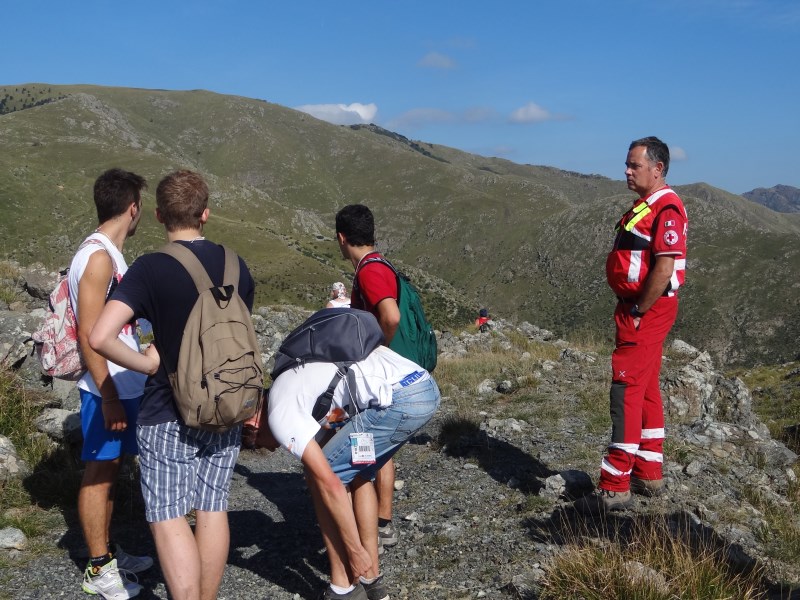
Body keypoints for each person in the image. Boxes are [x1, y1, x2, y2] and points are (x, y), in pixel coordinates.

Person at [89, 170, 256, 600]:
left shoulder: (149, 269)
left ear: (161, 214)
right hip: (226, 405)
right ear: (205, 213)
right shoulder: (238, 266)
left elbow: (100, 336)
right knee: (213, 505)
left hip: (168, 406)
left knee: (168, 513)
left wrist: (147, 364)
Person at [253, 343, 441, 600]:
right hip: (423, 387)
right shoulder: (293, 384)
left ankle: (344, 586)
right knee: (359, 472)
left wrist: (354, 550)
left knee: (322, 475)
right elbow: (339, 412)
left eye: (260, 445)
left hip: (400, 400)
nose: (271, 450)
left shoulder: (279, 414)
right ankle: (372, 579)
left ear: (252, 424)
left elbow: (329, 482)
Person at [578, 136, 688, 514]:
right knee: (645, 388)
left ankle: (615, 483)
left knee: (625, 389)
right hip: (641, 309)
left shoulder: (667, 208)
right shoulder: (649, 206)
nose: (626, 171)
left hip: (645, 312)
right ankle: (648, 470)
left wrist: (640, 307)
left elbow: (665, 265)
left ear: (657, 169)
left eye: (634, 165)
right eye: (627, 164)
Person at [71, 168, 151, 599]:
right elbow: (88, 332)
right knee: (100, 471)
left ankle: (107, 551)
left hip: (123, 384)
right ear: (133, 207)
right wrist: (108, 396)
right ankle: (98, 567)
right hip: (107, 387)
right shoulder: (98, 257)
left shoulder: (110, 255)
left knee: (112, 468)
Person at [334, 204, 401, 553]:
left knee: (369, 447)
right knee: (381, 444)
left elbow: (390, 315)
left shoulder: (369, 271)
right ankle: (381, 522)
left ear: (343, 238)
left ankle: (376, 524)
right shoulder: (379, 265)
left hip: (379, 371)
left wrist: (376, 350)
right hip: (388, 370)